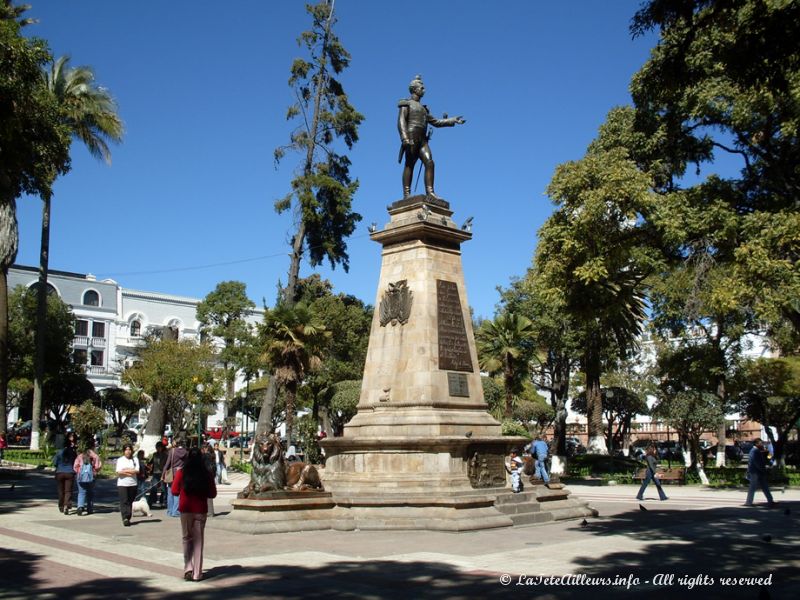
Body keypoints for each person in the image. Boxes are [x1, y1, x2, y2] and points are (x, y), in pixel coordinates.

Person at [397, 75, 465, 199]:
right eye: (421, 88)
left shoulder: (424, 109)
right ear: (414, 89)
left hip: (423, 140)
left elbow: (436, 122)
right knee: (409, 165)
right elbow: (401, 122)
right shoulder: (406, 104)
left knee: (429, 162)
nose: (424, 90)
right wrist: (405, 138)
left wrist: (452, 120)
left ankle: (430, 192)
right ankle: (407, 194)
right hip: (411, 137)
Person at [172, 447, 217, 582]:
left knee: (187, 538)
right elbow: (212, 494)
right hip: (200, 510)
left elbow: (174, 491)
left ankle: (188, 568)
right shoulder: (207, 474)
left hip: (186, 509)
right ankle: (197, 573)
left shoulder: (181, 472)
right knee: (198, 541)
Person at [73, 439, 102, 516]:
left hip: (81, 477)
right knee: (90, 493)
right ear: (93, 446)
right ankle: (90, 508)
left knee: (81, 492)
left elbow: (75, 467)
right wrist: (95, 472)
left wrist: (79, 472)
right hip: (91, 477)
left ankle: (80, 506)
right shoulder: (95, 456)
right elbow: (98, 466)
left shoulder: (80, 456)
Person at [745, 438, 776, 507]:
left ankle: (770, 501)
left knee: (764, 486)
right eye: (760, 443)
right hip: (755, 472)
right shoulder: (754, 451)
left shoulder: (757, 451)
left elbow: (767, 457)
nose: (762, 444)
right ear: (756, 444)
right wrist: (763, 469)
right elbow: (757, 463)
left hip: (758, 472)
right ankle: (748, 502)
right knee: (753, 487)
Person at [163, 435, 188, 517]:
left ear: (176, 442)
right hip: (180, 473)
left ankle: (170, 511)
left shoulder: (172, 451)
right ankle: (176, 511)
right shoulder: (185, 452)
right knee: (178, 493)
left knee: (170, 492)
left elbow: (167, 464)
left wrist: (163, 474)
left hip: (172, 474)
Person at [115, 443, 139, 526]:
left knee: (130, 501)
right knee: (124, 501)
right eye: (126, 450)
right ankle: (125, 518)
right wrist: (129, 471)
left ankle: (128, 516)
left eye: (129, 449)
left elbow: (136, 470)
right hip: (122, 484)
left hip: (133, 483)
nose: (128, 451)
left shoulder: (135, 459)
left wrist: (126, 470)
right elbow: (119, 472)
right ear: (123, 451)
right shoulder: (120, 460)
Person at [53, 440, 78, 514]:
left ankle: (61, 506)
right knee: (68, 491)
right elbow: (75, 463)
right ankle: (67, 505)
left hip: (60, 472)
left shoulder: (59, 452)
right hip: (70, 472)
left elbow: (55, 463)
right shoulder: (73, 453)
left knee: (60, 491)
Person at [148, 441, 168, 508]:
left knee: (163, 488)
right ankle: (151, 501)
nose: (158, 449)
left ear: (162, 447)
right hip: (155, 472)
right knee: (154, 487)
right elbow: (151, 462)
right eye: (157, 447)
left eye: (159, 447)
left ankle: (163, 502)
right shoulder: (154, 454)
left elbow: (166, 464)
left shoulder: (165, 455)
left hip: (162, 472)